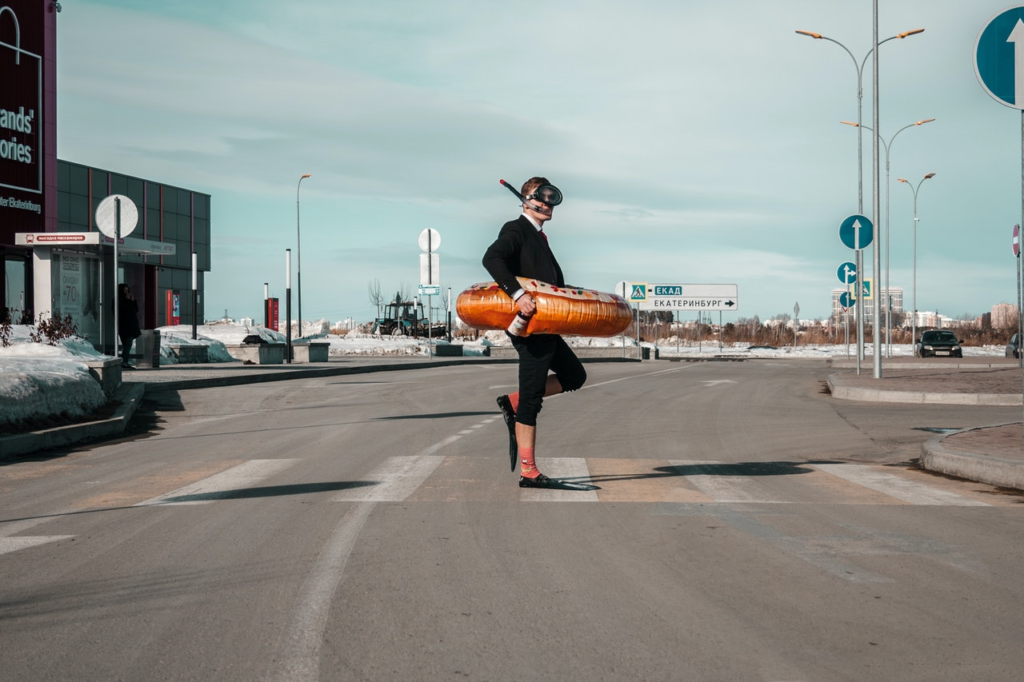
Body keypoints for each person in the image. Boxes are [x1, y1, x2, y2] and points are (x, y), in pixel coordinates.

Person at [482, 177, 587, 488]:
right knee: (532, 400)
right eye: (541, 199)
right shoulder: (516, 230)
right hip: (530, 327)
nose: (547, 205)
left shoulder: (538, 237)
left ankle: (512, 402)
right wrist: (517, 295)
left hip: (547, 325)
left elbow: (547, 281)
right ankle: (529, 471)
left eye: (552, 201)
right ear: (525, 200)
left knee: (574, 376)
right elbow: (492, 258)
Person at [117, 283, 141, 369]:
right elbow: (120, 311)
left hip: (130, 327)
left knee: (127, 345)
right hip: (124, 327)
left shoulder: (129, 301)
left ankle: (124, 361)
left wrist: (133, 300)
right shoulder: (119, 300)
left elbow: (136, 309)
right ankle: (124, 362)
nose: (126, 292)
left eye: (127, 290)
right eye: (125, 290)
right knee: (127, 344)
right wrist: (127, 300)